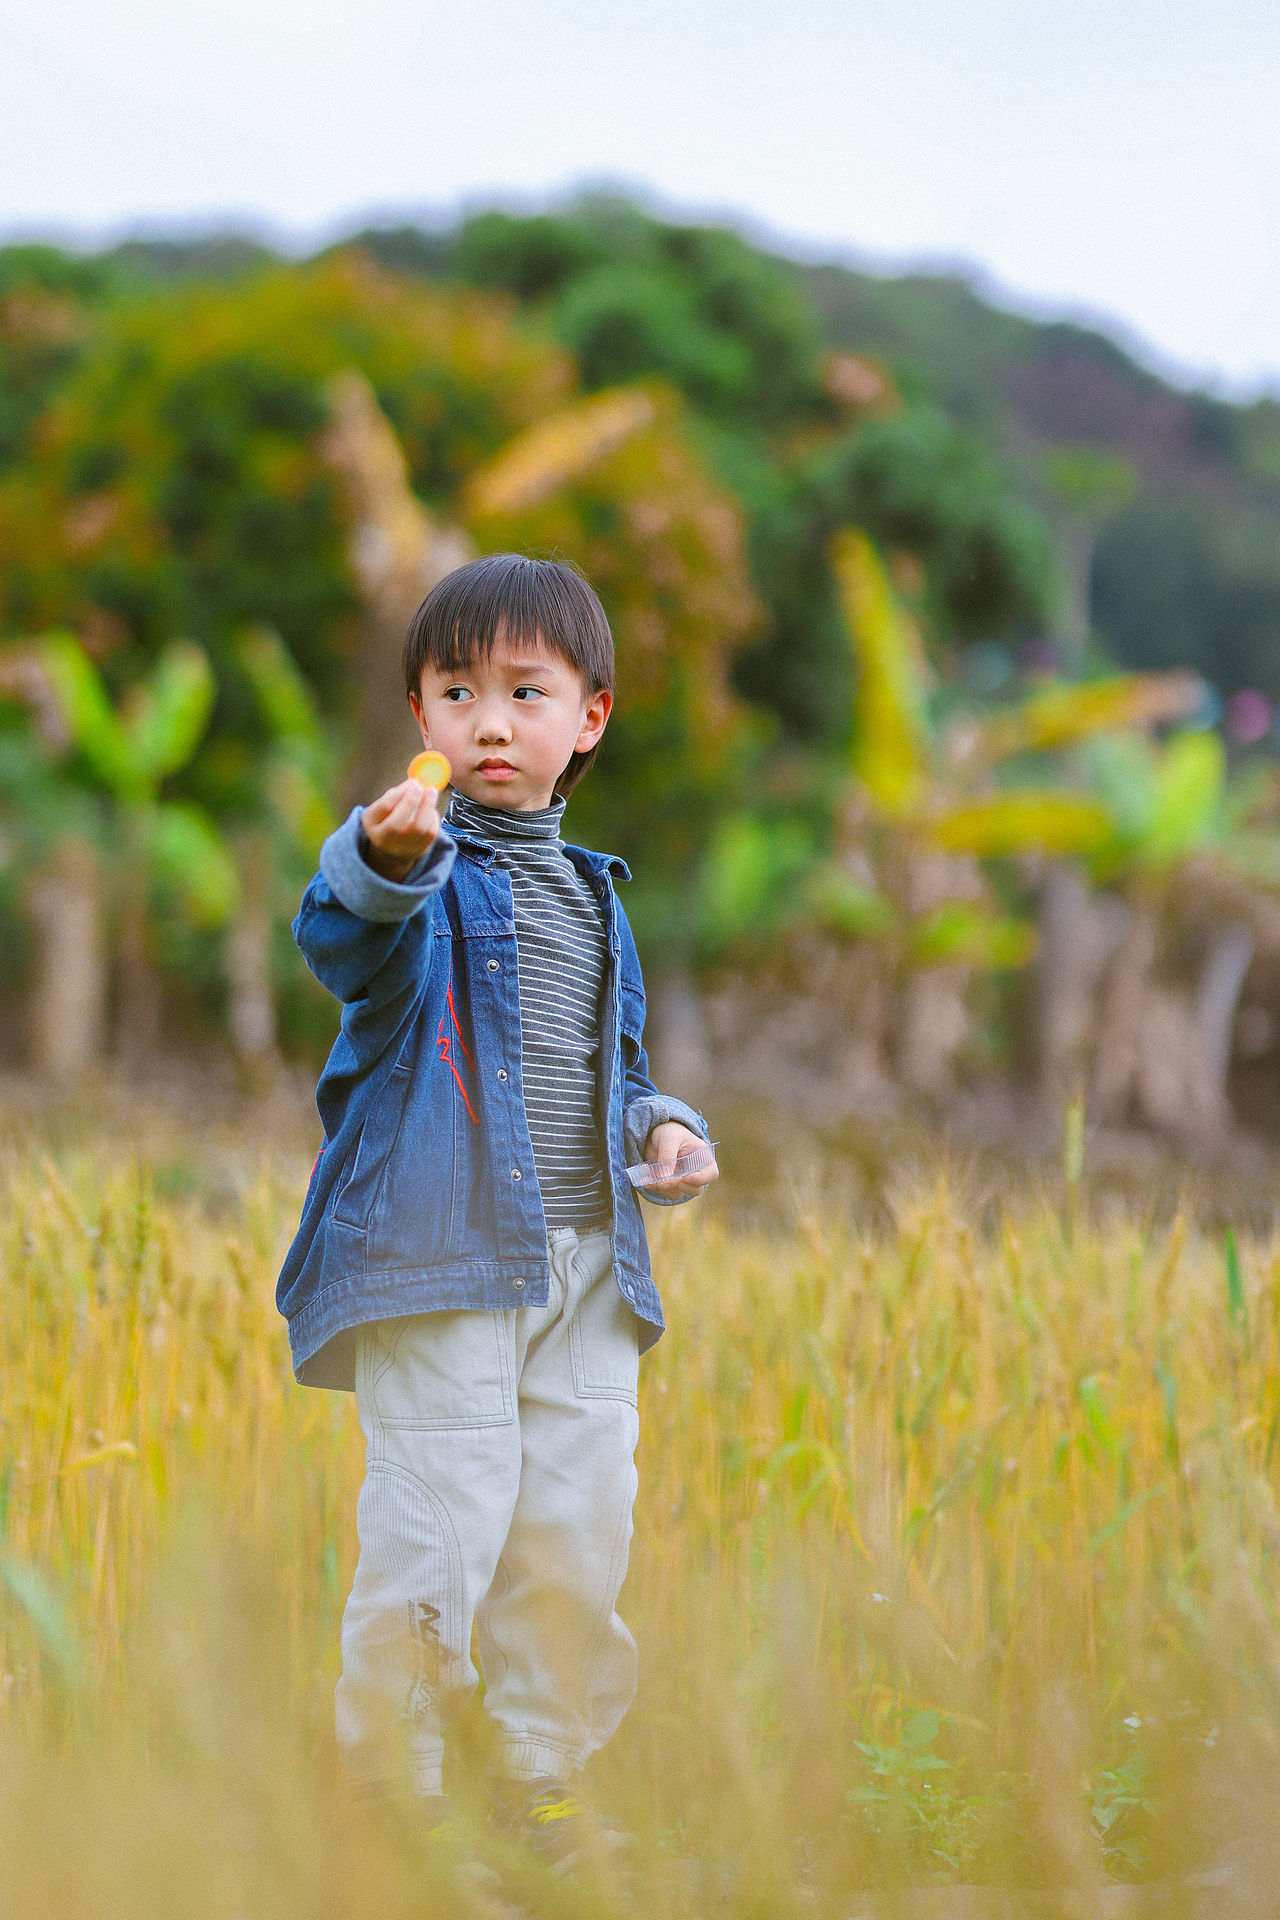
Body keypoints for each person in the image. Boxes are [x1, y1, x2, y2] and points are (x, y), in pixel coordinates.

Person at [276, 552, 716, 1873]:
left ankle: (537, 1780)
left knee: (578, 1530)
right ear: (421, 720)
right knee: (440, 1526)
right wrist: (378, 858)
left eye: (526, 693)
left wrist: (664, 1128)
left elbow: (609, 1067)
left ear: (588, 717)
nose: (489, 722)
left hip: (588, 1269)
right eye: (456, 692)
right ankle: (396, 1799)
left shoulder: (596, 897)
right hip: (443, 1257)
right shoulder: (422, 866)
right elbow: (343, 938)